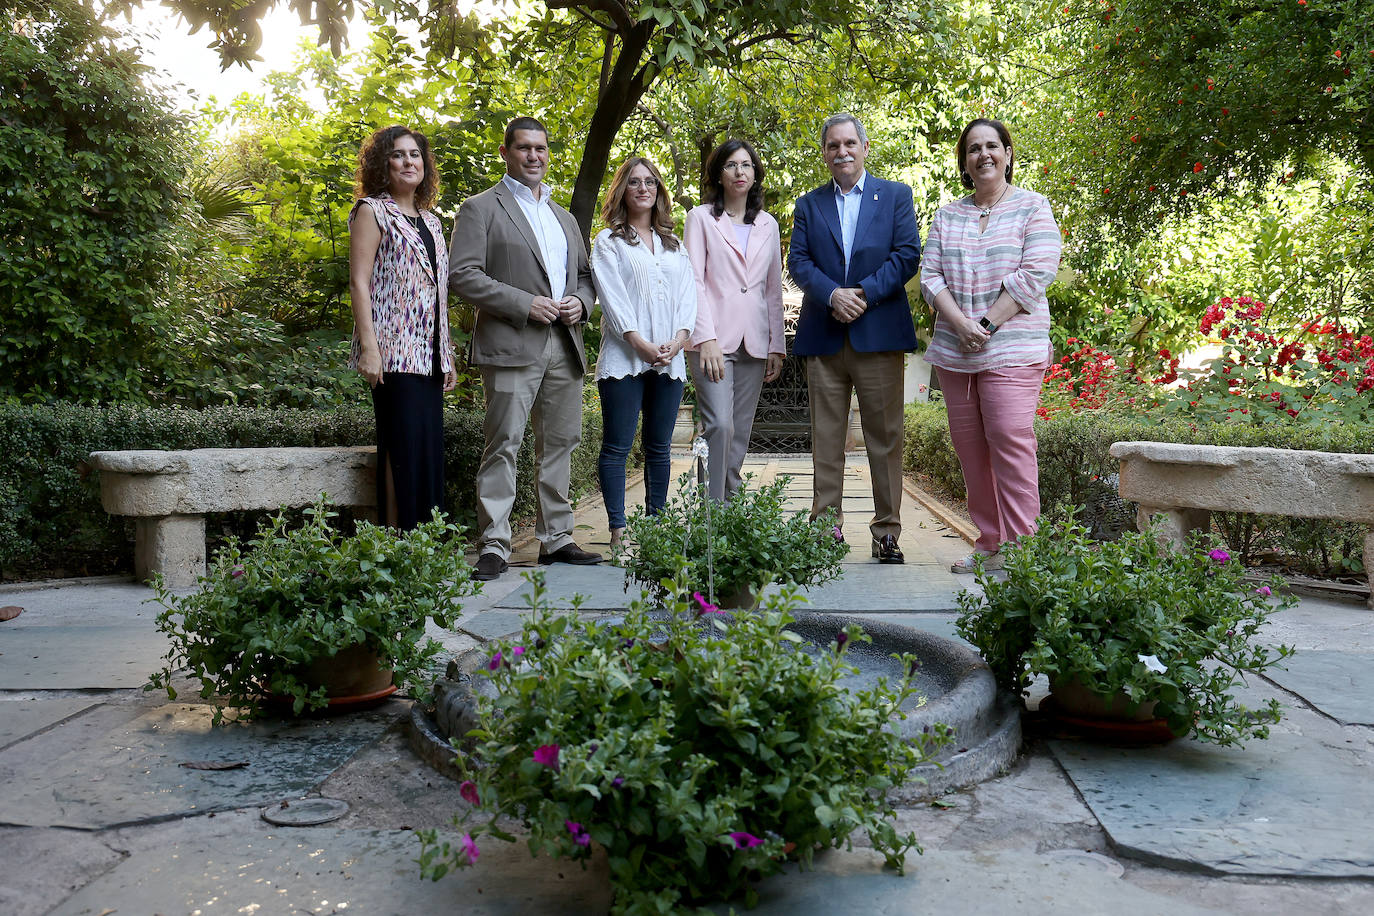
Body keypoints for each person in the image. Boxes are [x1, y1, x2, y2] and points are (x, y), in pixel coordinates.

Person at [448, 117, 600, 581]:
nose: (534, 156)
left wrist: (580, 303)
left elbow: (586, 277)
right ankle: (494, 544)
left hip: (564, 346)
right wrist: (524, 303)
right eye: (524, 148)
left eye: (541, 148)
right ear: (505, 152)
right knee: (504, 445)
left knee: (559, 445)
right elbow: (464, 275)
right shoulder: (480, 209)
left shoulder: (564, 218)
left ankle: (556, 538)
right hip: (512, 343)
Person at [921, 118, 1062, 572]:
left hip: (1013, 348)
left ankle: (1024, 551)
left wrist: (983, 323)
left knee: (1009, 439)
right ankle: (990, 544)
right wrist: (961, 324)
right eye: (973, 149)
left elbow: (1037, 271)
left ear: (1007, 154)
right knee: (971, 450)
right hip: (956, 351)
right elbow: (930, 277)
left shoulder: (1033, 208)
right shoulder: (948, 215)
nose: (983, 154)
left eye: (991, 146)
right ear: (964, 162)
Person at [789, 113, 922, 564]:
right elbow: (800, 263)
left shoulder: (897, 196)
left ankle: (887, 531)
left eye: (849, 143)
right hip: (825, 336)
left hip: (878, 332)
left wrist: (862, 294)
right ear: (824, 153)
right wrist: (832, 295)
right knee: (826, 437)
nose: (841, 151)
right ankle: (826, 528)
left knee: (884, 438)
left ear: (865, 147)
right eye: (833, 145)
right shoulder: (808, 205)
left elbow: (907, 256)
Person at [348, 124, 457, 531]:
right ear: (383, 164)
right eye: (398, 154)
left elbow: (438, 292)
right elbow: (359, 281)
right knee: (402, 452)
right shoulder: (371, 211)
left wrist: (446, 355)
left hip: (428, 357)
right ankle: (398, 546)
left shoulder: (431, 221)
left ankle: (426, 547)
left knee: (426, 453)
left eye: (415, 155)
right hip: (392, 353)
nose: (408, 162)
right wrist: (370, 348)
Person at [590, 157, 696, 548]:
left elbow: (688, 296)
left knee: (659, 447)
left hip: (669, 358)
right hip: (625, 356)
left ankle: (655, 530)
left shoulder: (674, 244)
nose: (643, 188)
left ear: (659, 191)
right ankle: (618, 530)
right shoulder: (609, 242)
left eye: (650, 182)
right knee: (617, 446)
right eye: (634, 182)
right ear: (622, 190)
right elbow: (613, 299)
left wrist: (679, 339)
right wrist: (641, 344)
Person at [683, 139, 785, 501]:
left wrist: (777, 344)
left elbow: (773, 287)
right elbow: (693, 279)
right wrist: (704, 336)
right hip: (712, 341)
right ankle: (714, 510)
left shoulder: (768, 225)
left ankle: (726, 511)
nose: (739, 172)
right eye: (731, 165)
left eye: (746, 165)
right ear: (718, 174)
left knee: (739, 431)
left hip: (755, 341)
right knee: (719, 426)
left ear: (755, 173)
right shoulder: (700, 218)